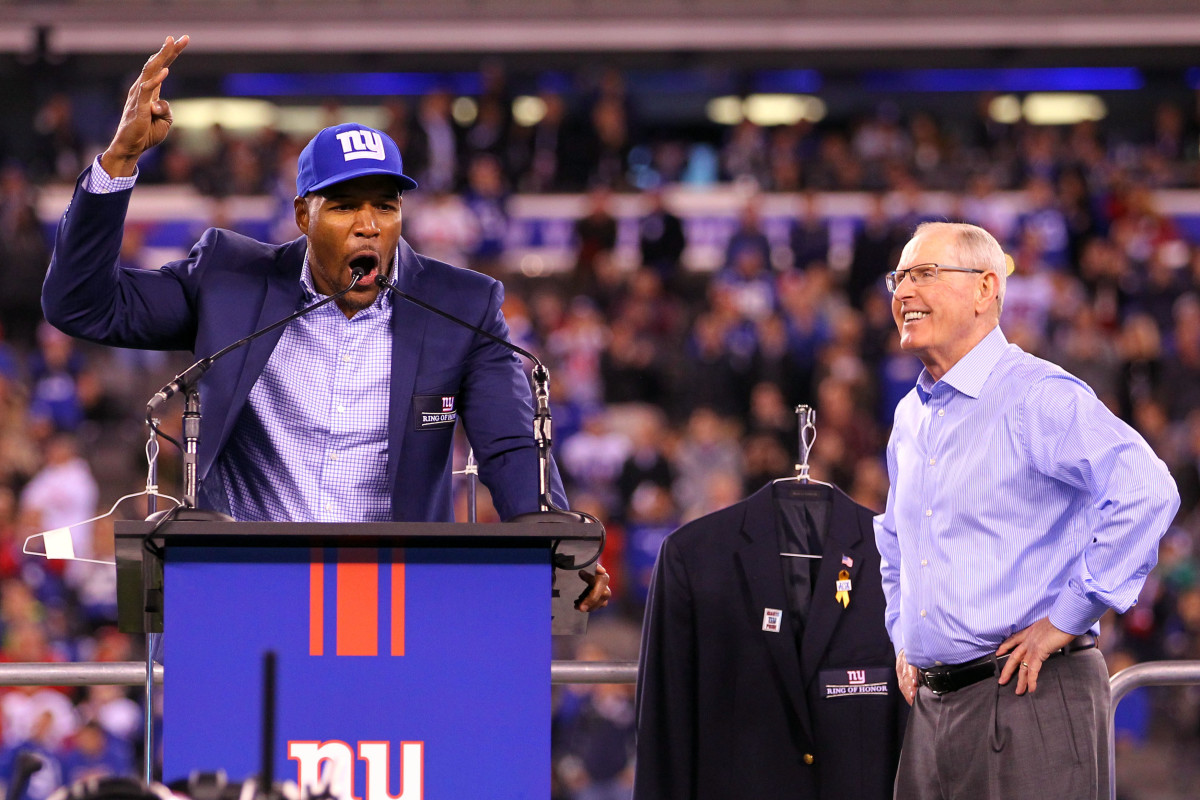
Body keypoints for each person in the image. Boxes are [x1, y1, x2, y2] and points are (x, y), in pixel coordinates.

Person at [40, 36, 609, 611]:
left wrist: (558, 548)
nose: (369, 225)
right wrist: (119, 162)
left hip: (390, 601)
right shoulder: (231, 280)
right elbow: (82, 305)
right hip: (246, 592)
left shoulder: (461, 306)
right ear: (302, 215)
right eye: (343, 206)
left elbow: (512, 447)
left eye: (385, 206)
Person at [873, 221, 1179, 799]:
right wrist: (903, 635)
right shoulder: (910, 416)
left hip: (1028, 695)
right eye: (900, 277)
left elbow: (1146, 489)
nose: (903, 292)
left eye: (925, 274)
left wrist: (1066, 616)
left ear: (987, 289)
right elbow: (895, 541)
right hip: (933, 713)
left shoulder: (1035, 394)